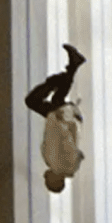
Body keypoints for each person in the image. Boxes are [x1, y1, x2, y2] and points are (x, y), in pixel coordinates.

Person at [25, 44, 87, 193]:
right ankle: (69, 70)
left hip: (61, 120)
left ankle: (69, 70)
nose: (45, 177)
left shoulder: (57, 164)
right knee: (35, 101)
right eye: (48, 181)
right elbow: (68, 143)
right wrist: (61, 123)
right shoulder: (62, 165)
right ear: (56, 181)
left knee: (55, 98)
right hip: (62, 120)